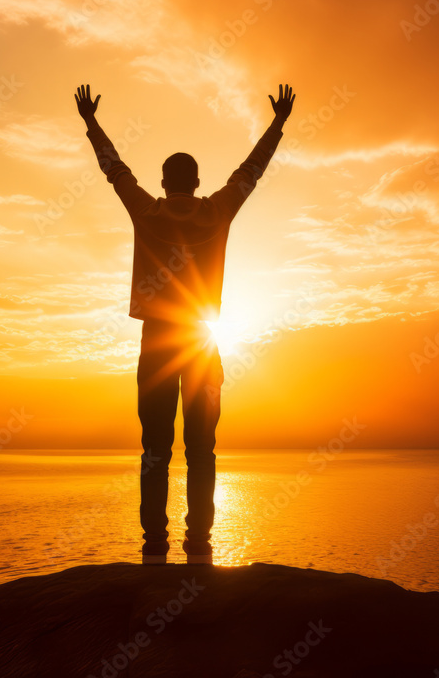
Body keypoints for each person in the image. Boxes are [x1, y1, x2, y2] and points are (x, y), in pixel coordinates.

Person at [75, 82, 296, 564]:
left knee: (155, 448)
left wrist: (92, 123)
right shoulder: (216, 212)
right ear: (196, 184)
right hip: (202, 343)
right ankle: (199, 545)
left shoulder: (148, 212)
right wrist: (278, 123)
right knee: (202, 448)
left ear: (163, 181)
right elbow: (250, 172)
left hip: (157, 341)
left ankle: (154, 546)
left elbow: (115, 172)